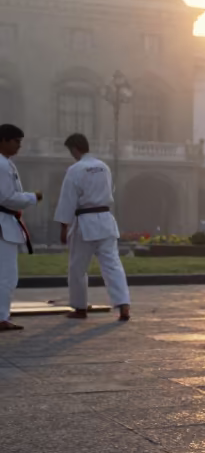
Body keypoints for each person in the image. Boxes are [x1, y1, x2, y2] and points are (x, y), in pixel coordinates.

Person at [54, 134, 130, 322]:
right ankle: (124, 305)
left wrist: (64, 226)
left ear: (74, 149)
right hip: (105, 220)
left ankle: (80, 308)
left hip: (85, 223)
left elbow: (67, 200)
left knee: (77, 267)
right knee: (112, 265)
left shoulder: (75, 169)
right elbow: (109, 191)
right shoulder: (104, 167)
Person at [0, 124, 41, 332]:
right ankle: (1, 317)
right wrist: (32, 197)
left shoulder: (6, 163)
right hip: (3, 223)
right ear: (4, 140)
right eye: (16, 141)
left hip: (6, 221)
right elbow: (7, 198)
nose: (19, 146)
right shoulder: (2, 164)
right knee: (6, 274)